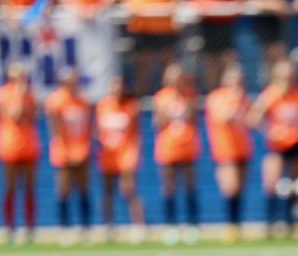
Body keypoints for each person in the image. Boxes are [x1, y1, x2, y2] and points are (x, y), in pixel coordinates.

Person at [248, 59, 298, 239]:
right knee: (272, 183)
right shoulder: (270, 95)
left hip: (296, 143)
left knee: (294, 185)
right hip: (277, 146)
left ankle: (289, 222)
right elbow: (253, 118)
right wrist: (269, 131)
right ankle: (270, 222)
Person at [153, 63, 203, 244]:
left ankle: (192, 224)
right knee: (169, 188)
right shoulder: (161, 98)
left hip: (187, 146)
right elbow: (158, 123)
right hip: (168, 147)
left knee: (190, 186)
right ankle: (171, 225)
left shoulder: (191, 95)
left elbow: (194, 121)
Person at [44, 68, 93, 244]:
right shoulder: (56, 101)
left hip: (82, 151)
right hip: (64, 152)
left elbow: (88, 129)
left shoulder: (83, 101)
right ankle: (65, 227)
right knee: (63, 191)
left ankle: (86, 227)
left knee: (83, 190)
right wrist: (68, 152)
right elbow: (55, 131)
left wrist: (83, 150)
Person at [206, 63, 253, 243]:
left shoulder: (244, 98)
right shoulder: (217, 97)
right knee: (230, 188)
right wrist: (236, 100)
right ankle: (229, 225)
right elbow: (225, 118)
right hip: (225, 150)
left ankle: (237, 225)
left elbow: (250, 121)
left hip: (243, 148)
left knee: (240, 190)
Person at [95, 76, 146, 243]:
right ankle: (109, 225)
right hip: (108, 154)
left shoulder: (131, 106)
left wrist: (135, 153)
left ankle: (138, 225)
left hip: (125, 153)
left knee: (129, 189)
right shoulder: (103, 106)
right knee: (108, 191)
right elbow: (97, 130)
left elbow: (136, 133)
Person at [0, 62, 40, 244]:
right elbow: (13, 115)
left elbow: (31, 117)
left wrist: (24, 98)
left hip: (29, 145)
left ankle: (30, 228)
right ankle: (9, 227)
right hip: (10, 146)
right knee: (10, 188)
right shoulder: (3, 95)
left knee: (29, 189)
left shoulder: (30, 95)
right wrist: (20, 97)